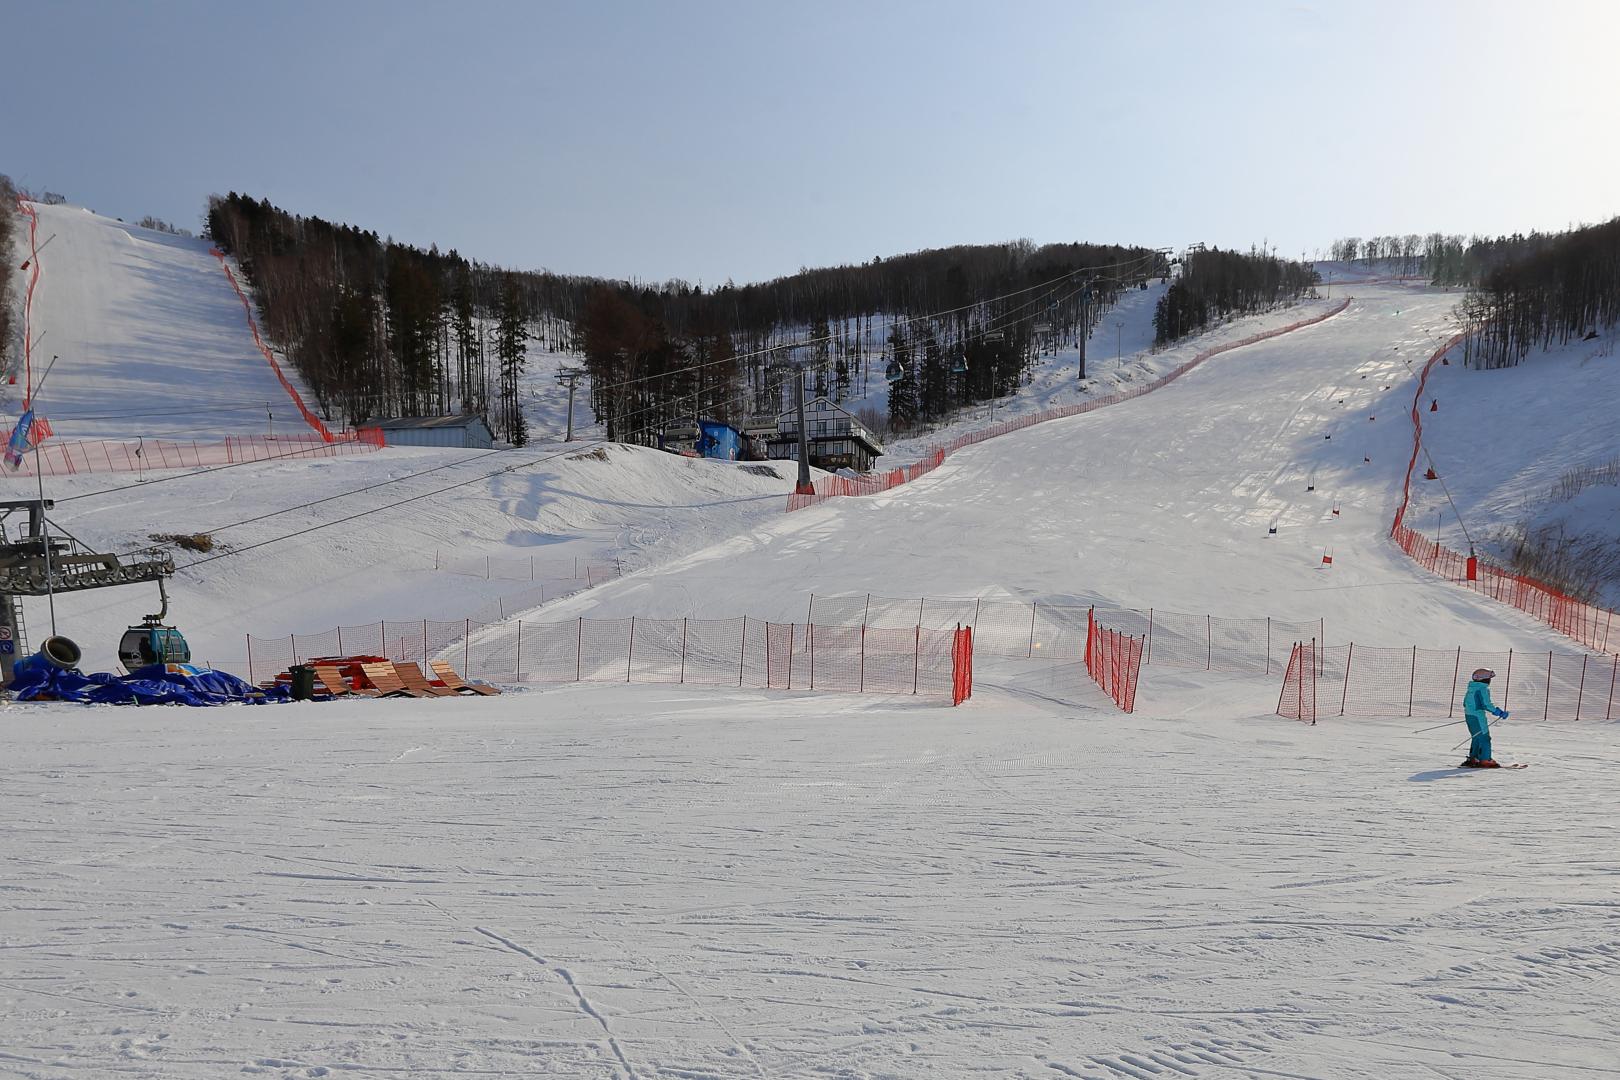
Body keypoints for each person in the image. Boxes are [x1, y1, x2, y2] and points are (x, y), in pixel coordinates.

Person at [1461, 667, 1509, 768]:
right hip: (1478, 716)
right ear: (1485, 679)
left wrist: (1471, 712)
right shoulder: (1482, 688)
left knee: (1476, 737)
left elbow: (1465, 703)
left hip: (1469, 715)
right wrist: (1499, 712)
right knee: (1484, 737)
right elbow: (1486, 704)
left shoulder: (1471, 688)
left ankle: (1474, 758)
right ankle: (1485, 760)